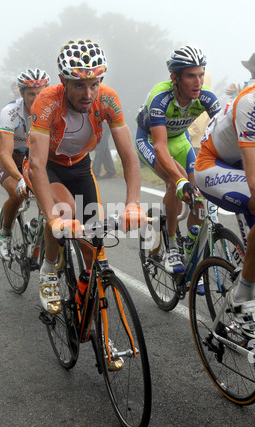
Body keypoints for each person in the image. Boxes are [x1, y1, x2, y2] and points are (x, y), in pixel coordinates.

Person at [25, 39, 146, 315]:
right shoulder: (47, 101)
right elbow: (36, 164)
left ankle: (86, 306)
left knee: (92, 249)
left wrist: (133, 203)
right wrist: (52, 217)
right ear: (63, 81)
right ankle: (47, 271)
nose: (88, 93)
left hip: (80, 166)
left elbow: (128, 157)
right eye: (79, 85)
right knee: (64, 211)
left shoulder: (108, 98)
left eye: (94, 83)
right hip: (48, 167)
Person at [135, 45, 221, 273]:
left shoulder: (206, 97)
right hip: (152, 141)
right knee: (178, 182)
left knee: (199, 191)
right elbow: (161, 145)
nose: (198, 82)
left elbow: (223, 135)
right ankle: (172, 246)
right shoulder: (160, 97)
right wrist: (180, 179)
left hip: (179, 140)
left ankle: (192, 250)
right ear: (175, 78)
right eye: (191, 76)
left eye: (201, 74)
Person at [194, 83, 255, 339]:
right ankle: (242, 294)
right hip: (213, 165)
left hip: (239, 162)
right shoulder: (250, 103)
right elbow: (253, 179)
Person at [0, 68, 50, 261]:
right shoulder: (10, 112)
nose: (36, 97)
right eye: (31, 94)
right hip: (4, 154)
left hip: (29, 154)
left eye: (41, 93)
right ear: (22, 93)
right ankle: (5, 234)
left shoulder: (50, 109)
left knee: (47, 194)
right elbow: (5, 153)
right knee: (17, 194)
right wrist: (19, 178)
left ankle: (35, 225)